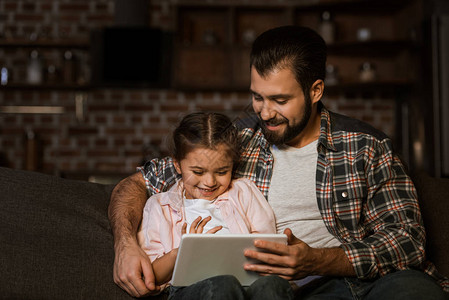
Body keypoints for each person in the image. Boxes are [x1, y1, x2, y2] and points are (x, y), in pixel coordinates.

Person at [108, 26, 449, 299]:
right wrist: (125, 245)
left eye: (280, 99)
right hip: (294, 291)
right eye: (257, 97)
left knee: (417, 290)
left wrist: (320, 259)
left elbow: (407, 241)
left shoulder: (366, 146)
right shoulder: (237, 141)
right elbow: (137, 183)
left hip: (368, 281)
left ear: (315, 91)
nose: (265, 112)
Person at [137, 111, 293, 299]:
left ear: (233, 165)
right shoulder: (160, 206)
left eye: (221, 171)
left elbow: (267, 243)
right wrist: (183, 252)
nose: (210, 182)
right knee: (223, 284)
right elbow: (152, 275)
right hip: (189, 288)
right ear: (177, 165)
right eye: (198, 171)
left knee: (273, 285)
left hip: (248, 282)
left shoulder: (244, 191)